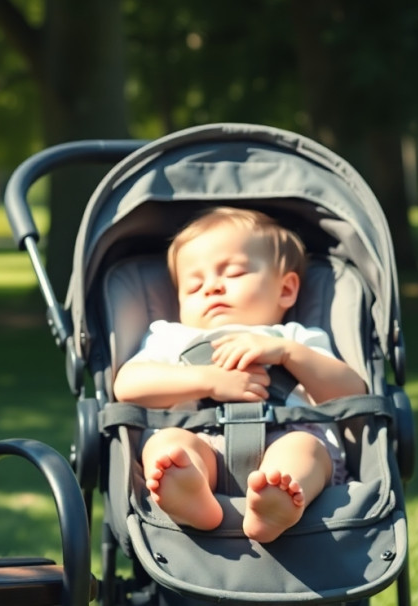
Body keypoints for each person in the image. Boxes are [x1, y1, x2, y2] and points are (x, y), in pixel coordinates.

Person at [112, 207, 367, 544]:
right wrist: (208, 380)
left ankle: (279, 498)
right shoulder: (171, 338)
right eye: (194, 285)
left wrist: (287, 354)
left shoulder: (295, 337)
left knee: (305, 449)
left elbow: (350, 393)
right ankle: (188, 496)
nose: (212, 288)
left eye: (233, 273)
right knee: (168, 446)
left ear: (286, 289)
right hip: (197, 439)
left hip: (286, 434)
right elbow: (127, 385)